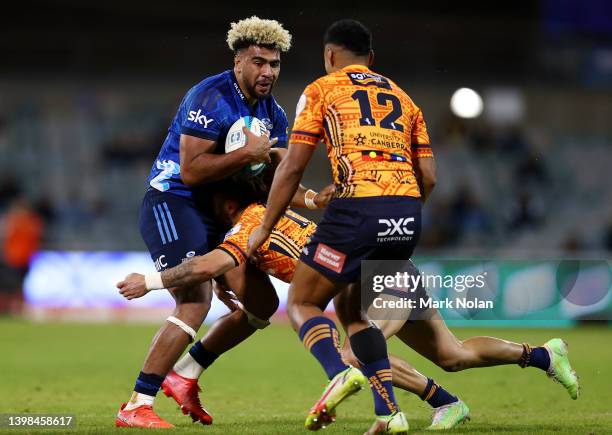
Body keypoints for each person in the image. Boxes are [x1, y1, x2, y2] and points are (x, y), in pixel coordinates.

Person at [119, 178, 579, 431]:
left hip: (378, 277)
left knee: (353, 352)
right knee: (452, 354)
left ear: (223, 204)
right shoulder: (264, 218)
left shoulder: (250, 222)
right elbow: (242, 282)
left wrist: (153, 281)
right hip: (381, 272)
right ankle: (541, 355)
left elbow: (206, 265)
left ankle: (426, 407)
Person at [245, 18, 434, 433]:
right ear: (372, 58)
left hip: (358, 211)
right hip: (407, 214)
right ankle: (389, 414)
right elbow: (430, 177)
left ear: (330, 55)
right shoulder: (405, 99)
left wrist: (265, 227)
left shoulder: (321, 89)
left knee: (302, 302)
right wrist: (400, 209)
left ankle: (337, 372)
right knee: (354, 312)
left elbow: (293, 166)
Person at [115, 16, 293, 429]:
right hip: (173, 201)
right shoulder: (209, 97)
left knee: (263, 304)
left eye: (275, 64)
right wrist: (247, 155)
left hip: (218, 212)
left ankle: (185, 374)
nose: (267, 72)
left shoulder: (274, 113)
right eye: (258, 62)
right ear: (238, 62)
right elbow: (192, 171)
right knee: (195, 301)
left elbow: (271, 180)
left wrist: (310, 195)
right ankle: (137, 404)